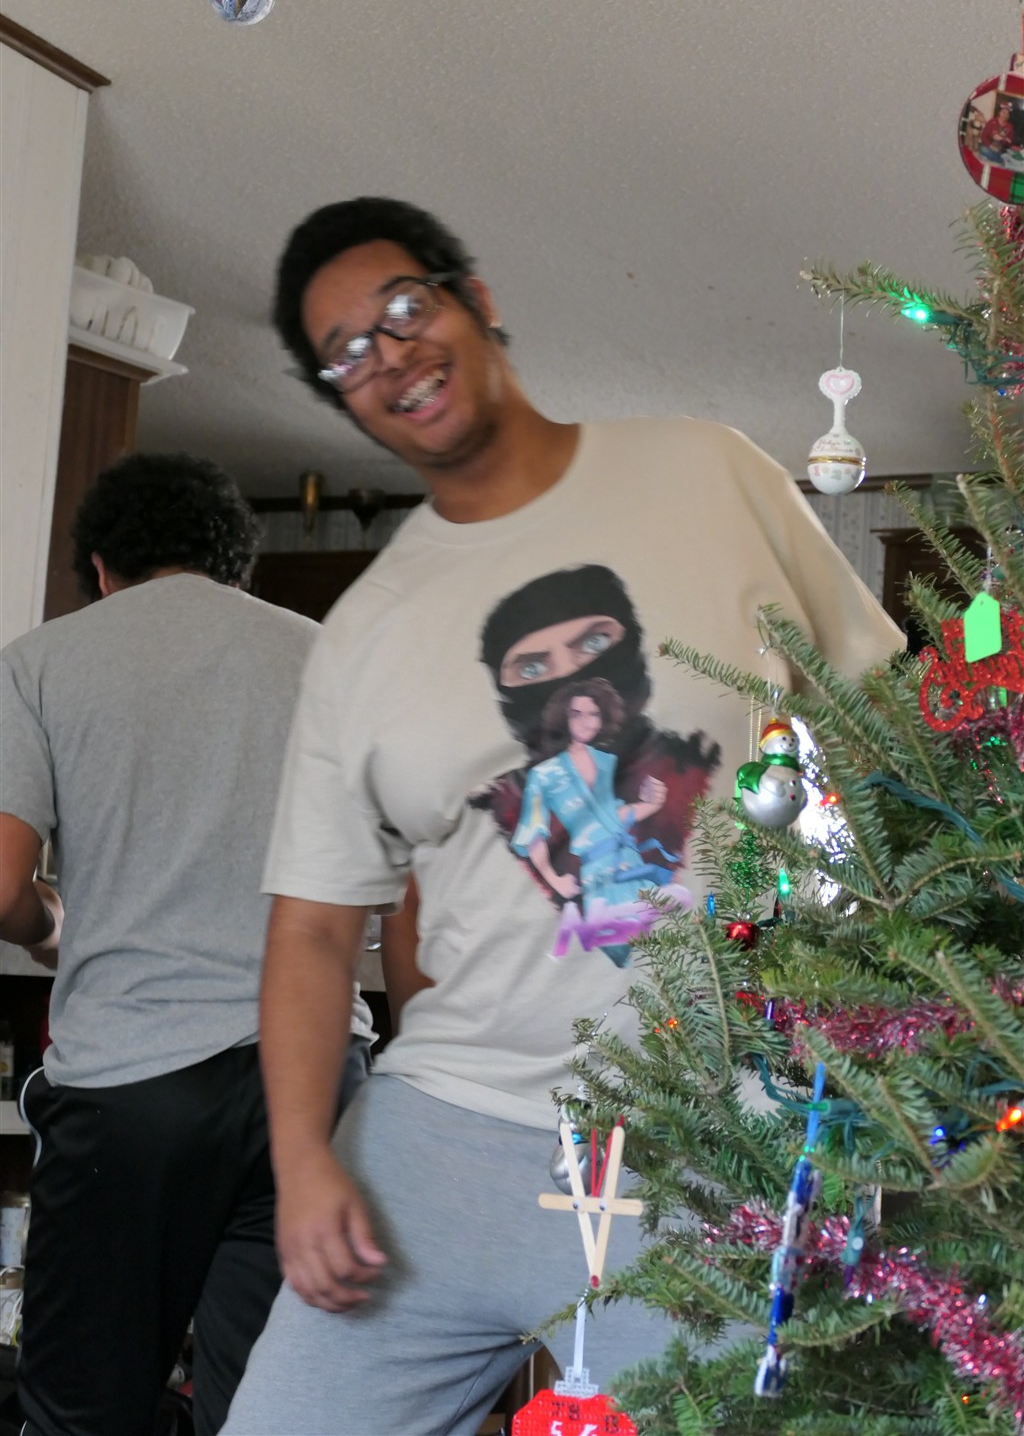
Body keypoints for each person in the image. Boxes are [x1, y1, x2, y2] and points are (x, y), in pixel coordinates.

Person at [221, 196, 904, 1436]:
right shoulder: (365, 633)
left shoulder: (707, 474)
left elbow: (884, 734)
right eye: (346, 352)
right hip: (437, 1145)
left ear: (474, 298)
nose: (388, 354)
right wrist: (304, 1159)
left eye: (404, 308)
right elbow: (312, 930)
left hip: (710, 1140)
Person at [0, 453, 374, 1436]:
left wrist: (50, 927)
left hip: (134, 1085)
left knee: (84, 1413)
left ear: (101, 567)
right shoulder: (325, 656)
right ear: (234, 563)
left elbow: (0, 885)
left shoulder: (41, 661)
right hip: (315, 1079)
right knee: (276, 1410)